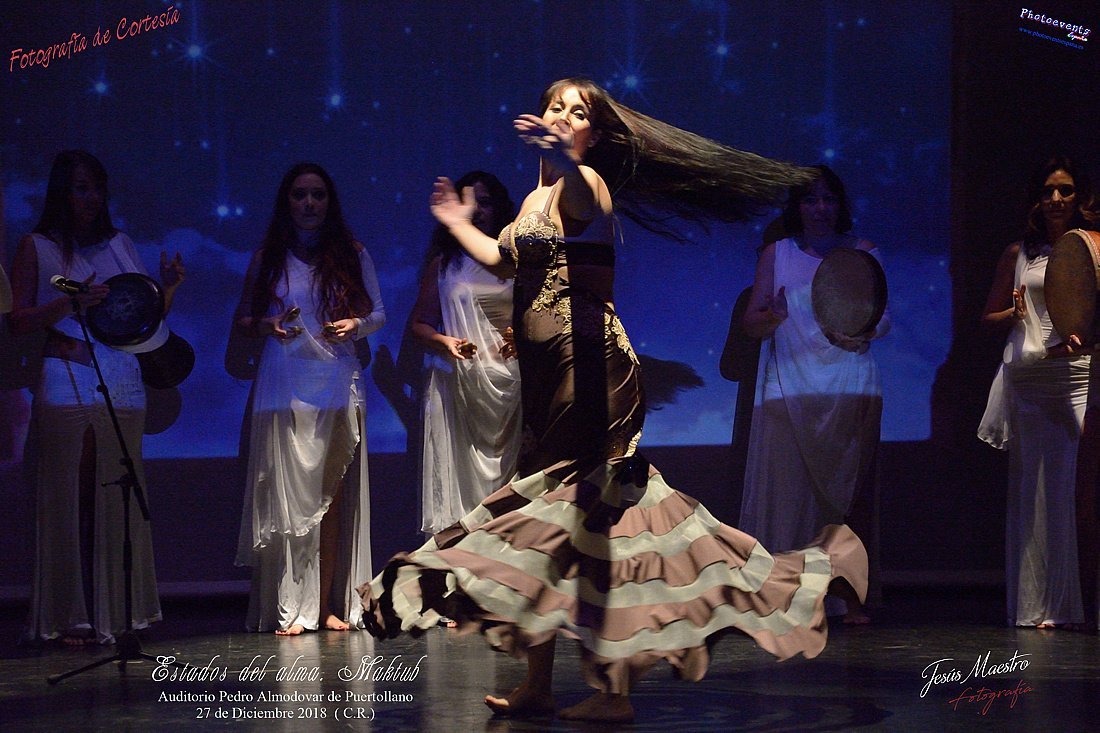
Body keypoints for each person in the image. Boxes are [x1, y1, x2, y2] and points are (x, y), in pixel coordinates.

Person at [360, 79, 867, 723]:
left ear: (593, 135)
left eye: (577, 114)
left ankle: (615, 691)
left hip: (593, 373)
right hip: (549, 380)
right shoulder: (533, 200)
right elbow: (504, 259)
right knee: (550, 523)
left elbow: (577, 190)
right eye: (556, 107)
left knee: (598, 523)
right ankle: (539, 684)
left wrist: (564, 157)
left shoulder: (587, 185)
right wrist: (459, 224)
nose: (563, 117)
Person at [9, 150, 183, 645]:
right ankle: (71, 614)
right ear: (61, 192)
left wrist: (168, 289)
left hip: (122, 378)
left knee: (118, 495)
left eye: (97, 188)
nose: (90, 198)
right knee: (71, 497)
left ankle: (120, 610)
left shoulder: (120, 244)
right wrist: (69, 303)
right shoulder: (38, 246)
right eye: (80, 188)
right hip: (68, 374)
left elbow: (142, 315)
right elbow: (18, 320)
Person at [234, 163, 384, 635]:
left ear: (329, 202)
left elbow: (378, 313)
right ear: (287, 202)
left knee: (330, 497)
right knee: (288, 498)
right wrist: (268, 325)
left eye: (318, 195)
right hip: (284, 384)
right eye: (300, 195)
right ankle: (288, 605)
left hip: (336, 378)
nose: (309, 203)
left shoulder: (352, 253)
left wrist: (355, 325)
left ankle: (324, 606)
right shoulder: (269, 257)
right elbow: (244, 320)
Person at [738, 166, 886, 625]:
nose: (820, 209)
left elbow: (882, 320)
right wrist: (774, 316)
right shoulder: (777, 253)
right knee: (788, 494)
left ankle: (848, 598)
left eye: (828, 199)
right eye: (810, 199)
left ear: (840, 205)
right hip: (789, 388)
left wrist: (857, 328)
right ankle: (785, 594)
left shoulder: (863, 253)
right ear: (797, 207)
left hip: (846, 386)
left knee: (844, 496)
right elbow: (752, 323)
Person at [978, 155, 1098, 629]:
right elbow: (988, 317)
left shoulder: (1092, 246)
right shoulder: (1019, 254)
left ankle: (1077, 604)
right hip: (1030, 377)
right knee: (1034, 493)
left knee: (1076, 490)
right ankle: (1038, 606)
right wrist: (1013, 313)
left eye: (1065, 190)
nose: (1056, 199)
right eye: (1048, 191)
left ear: (1079, 196)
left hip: (1077, 374)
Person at [410, 171, 521, 536]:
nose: (476, 211)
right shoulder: (445, 265)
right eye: (468, 204)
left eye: (484, 203)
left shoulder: (515, 261)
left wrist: (520, 335)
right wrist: (445, 341)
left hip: (509, 386)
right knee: (459, 490)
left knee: (510, 488)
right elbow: (419, 323)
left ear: (499, 208)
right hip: (456, 386)